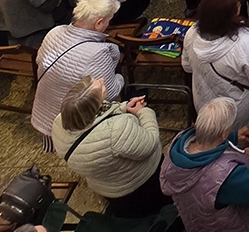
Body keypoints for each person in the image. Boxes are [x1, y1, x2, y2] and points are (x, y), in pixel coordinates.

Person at [52, 77, 168, 216]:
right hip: (139, 183)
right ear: (94, 105)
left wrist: (124, 107)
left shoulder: (59, 123)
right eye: (99, 86)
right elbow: (150, 142)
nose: (101, 80)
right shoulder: (116, 130)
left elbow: (98, 115)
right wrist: (143, 112)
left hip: (109, 188)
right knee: (156, 211)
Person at [159, 97, 249, 232]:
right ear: (223, 133)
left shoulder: (178, 146)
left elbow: (208, 141)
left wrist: (233, 137)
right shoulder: (225, 176)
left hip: (199, 220)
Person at [183, 0, 249, 136]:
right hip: (240, 113)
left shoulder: (191, 34)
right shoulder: (245, 42)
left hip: (208, 109)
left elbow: (187, 66)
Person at [31, 0, 125, 141]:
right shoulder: (97, 53)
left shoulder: (54, 32)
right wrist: (120, 76)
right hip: (74, 121)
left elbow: (39, 61)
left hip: (44, 115)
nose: (108, 25)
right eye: (109, 21)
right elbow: (109, 91)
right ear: (99, 23)